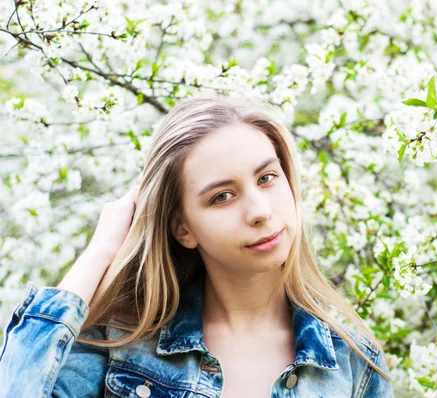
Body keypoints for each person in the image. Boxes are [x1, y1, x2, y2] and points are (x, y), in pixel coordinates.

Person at [0, 93, 394, 397]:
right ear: (183, 228)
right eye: (222, 196)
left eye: (267, 178)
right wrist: (101, 251)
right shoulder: (119, 345)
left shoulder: (352, 365)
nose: (259, 211)